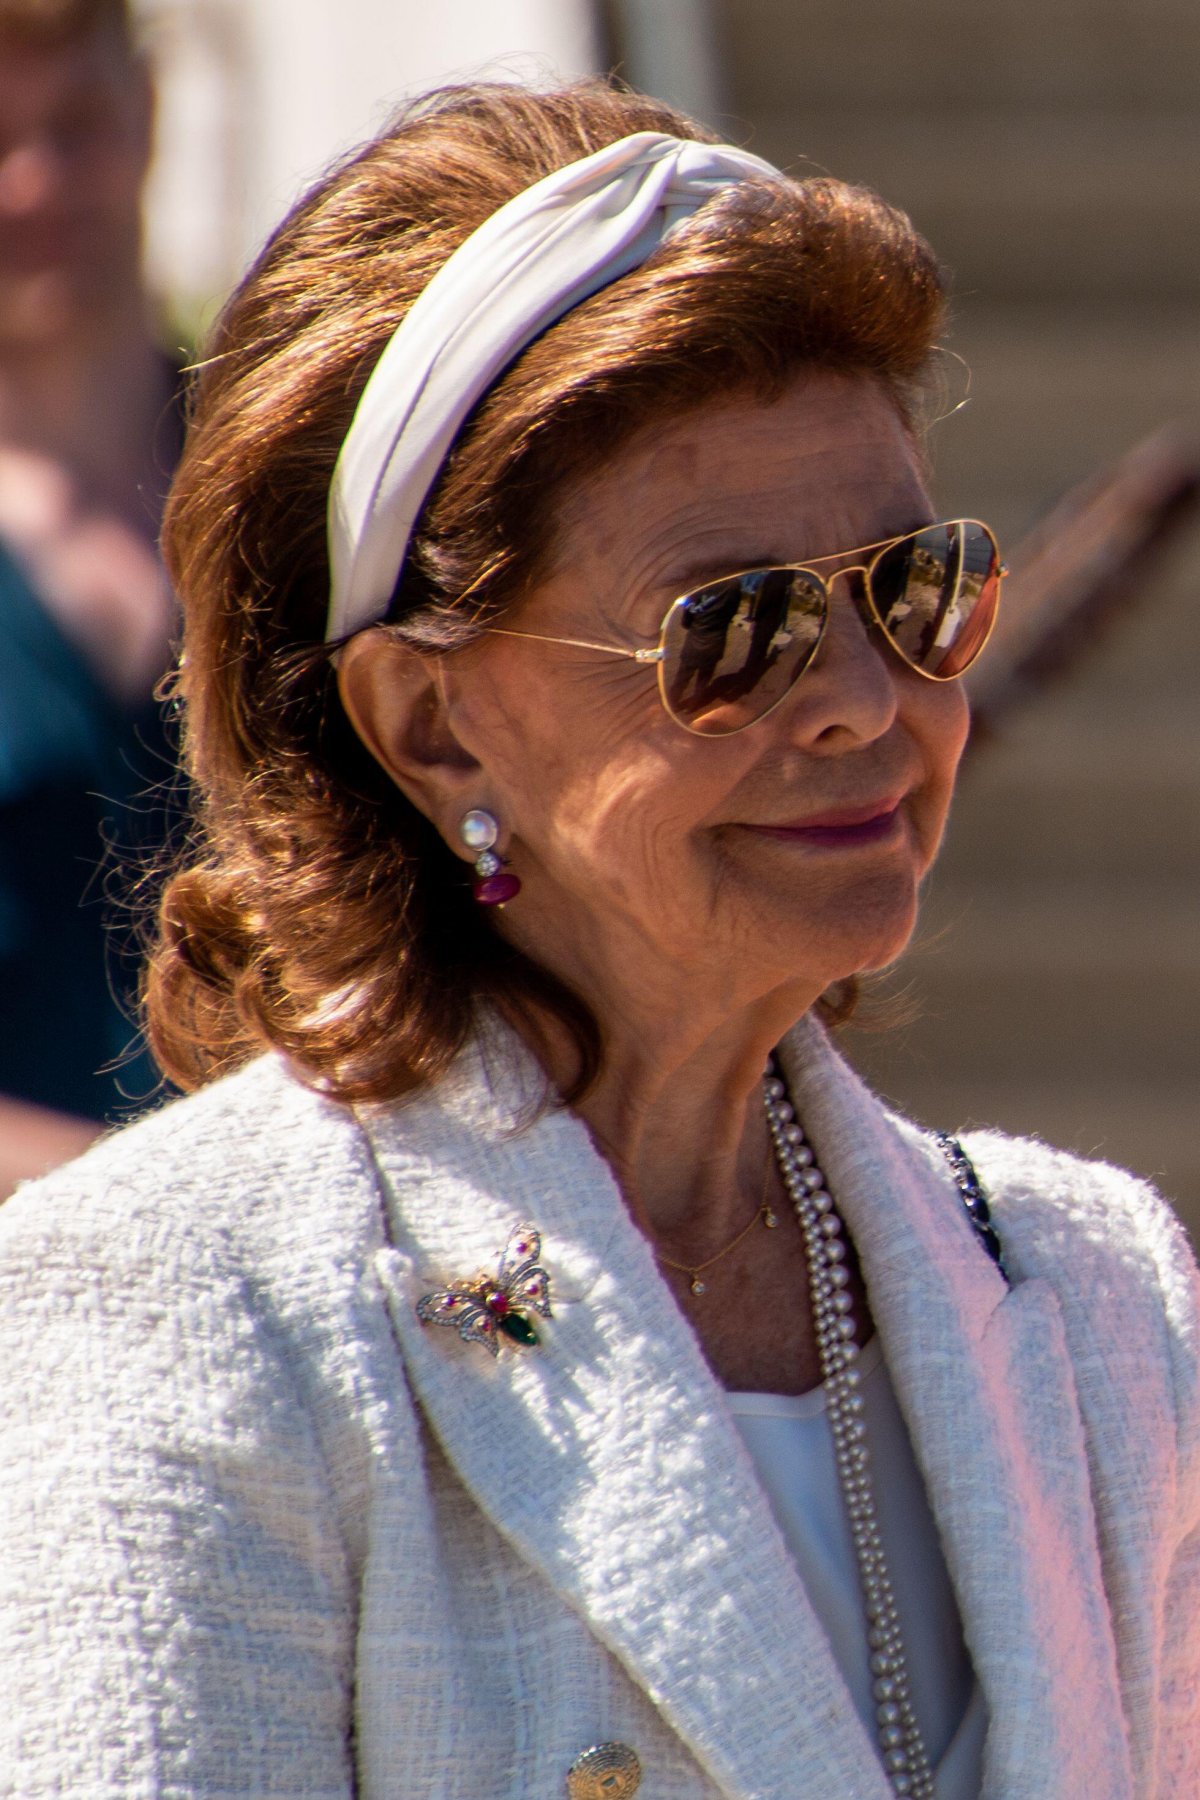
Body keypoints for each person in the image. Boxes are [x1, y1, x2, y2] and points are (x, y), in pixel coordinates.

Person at [0, 79, 1196, 1799]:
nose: (868, 704)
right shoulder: (196, 1301)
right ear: (431, 728)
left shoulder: (1092, 1296)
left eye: (911, 587)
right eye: (737, 629)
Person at [0, 0, 182, 1194]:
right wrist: (148, 1205)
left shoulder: (304, 490)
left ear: (148, 109)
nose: (35, 182)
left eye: (76, 122)